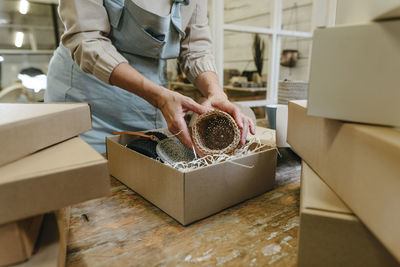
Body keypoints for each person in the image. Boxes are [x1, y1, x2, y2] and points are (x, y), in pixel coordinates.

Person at [45, 0, 255, 154]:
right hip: (88, 97)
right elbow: (87, 40)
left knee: (138, 166)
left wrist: (216, 93)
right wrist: (158, 96)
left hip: (148, 99)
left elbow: (196, 48)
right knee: (84, 182)